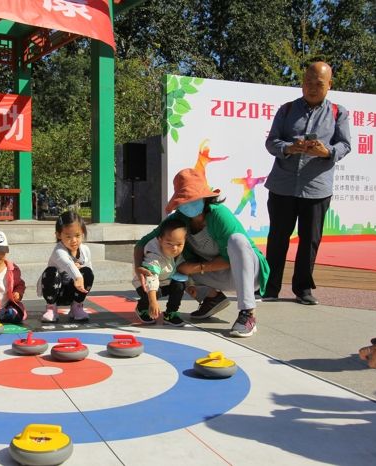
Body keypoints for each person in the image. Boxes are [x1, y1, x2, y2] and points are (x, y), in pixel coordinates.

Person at [135, 168, 269, 337]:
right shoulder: (178, 219)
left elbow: (234, 255)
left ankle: (248, 313)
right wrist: (139, 268)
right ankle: (212, 297)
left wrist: (197, 268)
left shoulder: (219, 214)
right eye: (185, 199)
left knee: (238, 241)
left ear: (205, 198)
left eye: (194, 198)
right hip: (215, 274)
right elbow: (142, 243)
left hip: (248, 273)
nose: (189, 203)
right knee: (175, 265)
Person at [264, 61, 351, 305]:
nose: (312, 88)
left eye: (319, 84)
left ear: (329, 85)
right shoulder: (287, 109)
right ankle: (269, 288)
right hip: (282, 185)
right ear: (302, 83)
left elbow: (345, 145)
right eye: (308, 82)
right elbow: (272, 142)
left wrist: (326, 152)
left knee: (310, 240)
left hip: (317, 187)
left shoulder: (338, 112)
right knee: (277, 238)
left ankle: (303, 289)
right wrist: (289, 148)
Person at [38, 211, 93, 323]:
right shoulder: (58, 251)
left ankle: (77, 307)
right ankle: (51, 308)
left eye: (77, 235)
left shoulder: (85, 250)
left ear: (83, 233)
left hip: (73, 292)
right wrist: (77, 275)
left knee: (87, 272)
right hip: (56, 292)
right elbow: (67, 264)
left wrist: (81, 270)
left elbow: (89, 272)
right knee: (51, 272)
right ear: (59, 235)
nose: (74, 240)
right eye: (68, 236)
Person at [132, 217, 188, 327]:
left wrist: (191, 285)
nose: (174, 248)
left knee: (179, 285)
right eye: (169, 243)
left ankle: (170, 313)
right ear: (160, 240)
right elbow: (151, 279)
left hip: (165, 280)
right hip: (145, 283)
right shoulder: (154, 255)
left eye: (179, 244)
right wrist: (153, 302)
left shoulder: (181, 252)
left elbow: (182, 272)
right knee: (153, 293)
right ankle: (142, 307)